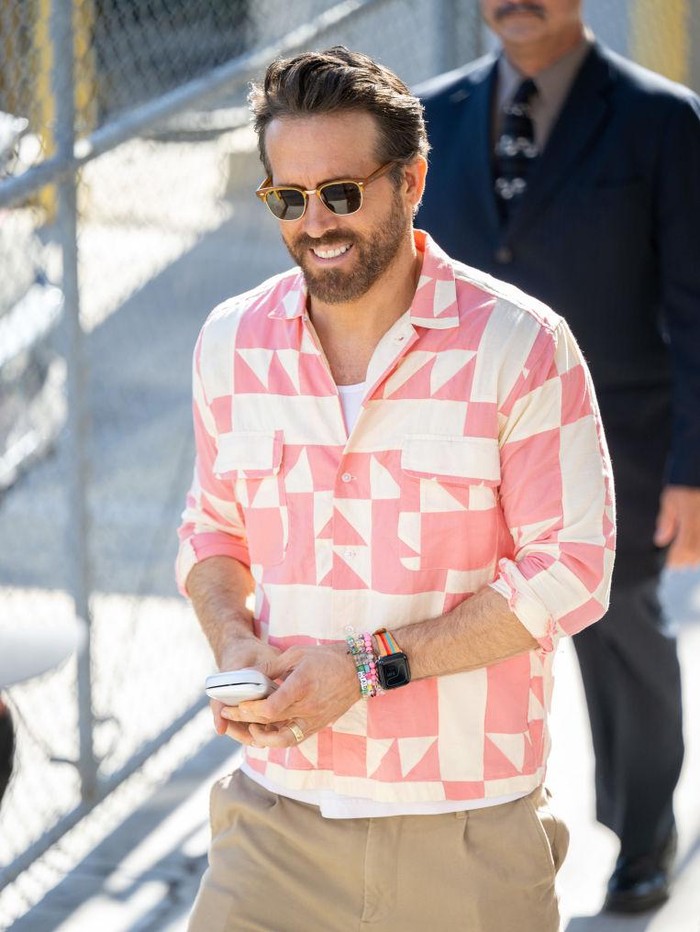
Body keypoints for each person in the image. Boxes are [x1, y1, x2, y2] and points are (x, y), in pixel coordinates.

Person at [177, 46, 615, 932]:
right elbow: (213, 538)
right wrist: (234, 642)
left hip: (464, 835)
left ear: (411, 181)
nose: (316, 223)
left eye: (342, 193)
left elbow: (573, 570)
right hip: (275, 825)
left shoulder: (522, 346)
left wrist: (366, 668)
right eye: (287, 199)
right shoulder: (229, 343)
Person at [416, 0, 700, 914]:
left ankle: (643, 830)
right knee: (464, 636)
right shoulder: (429, 117)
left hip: (622, 444)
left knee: (621, 639)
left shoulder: (661, 121)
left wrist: (696, 469)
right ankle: (478, 835)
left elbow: (698, 310)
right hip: (461, 444)